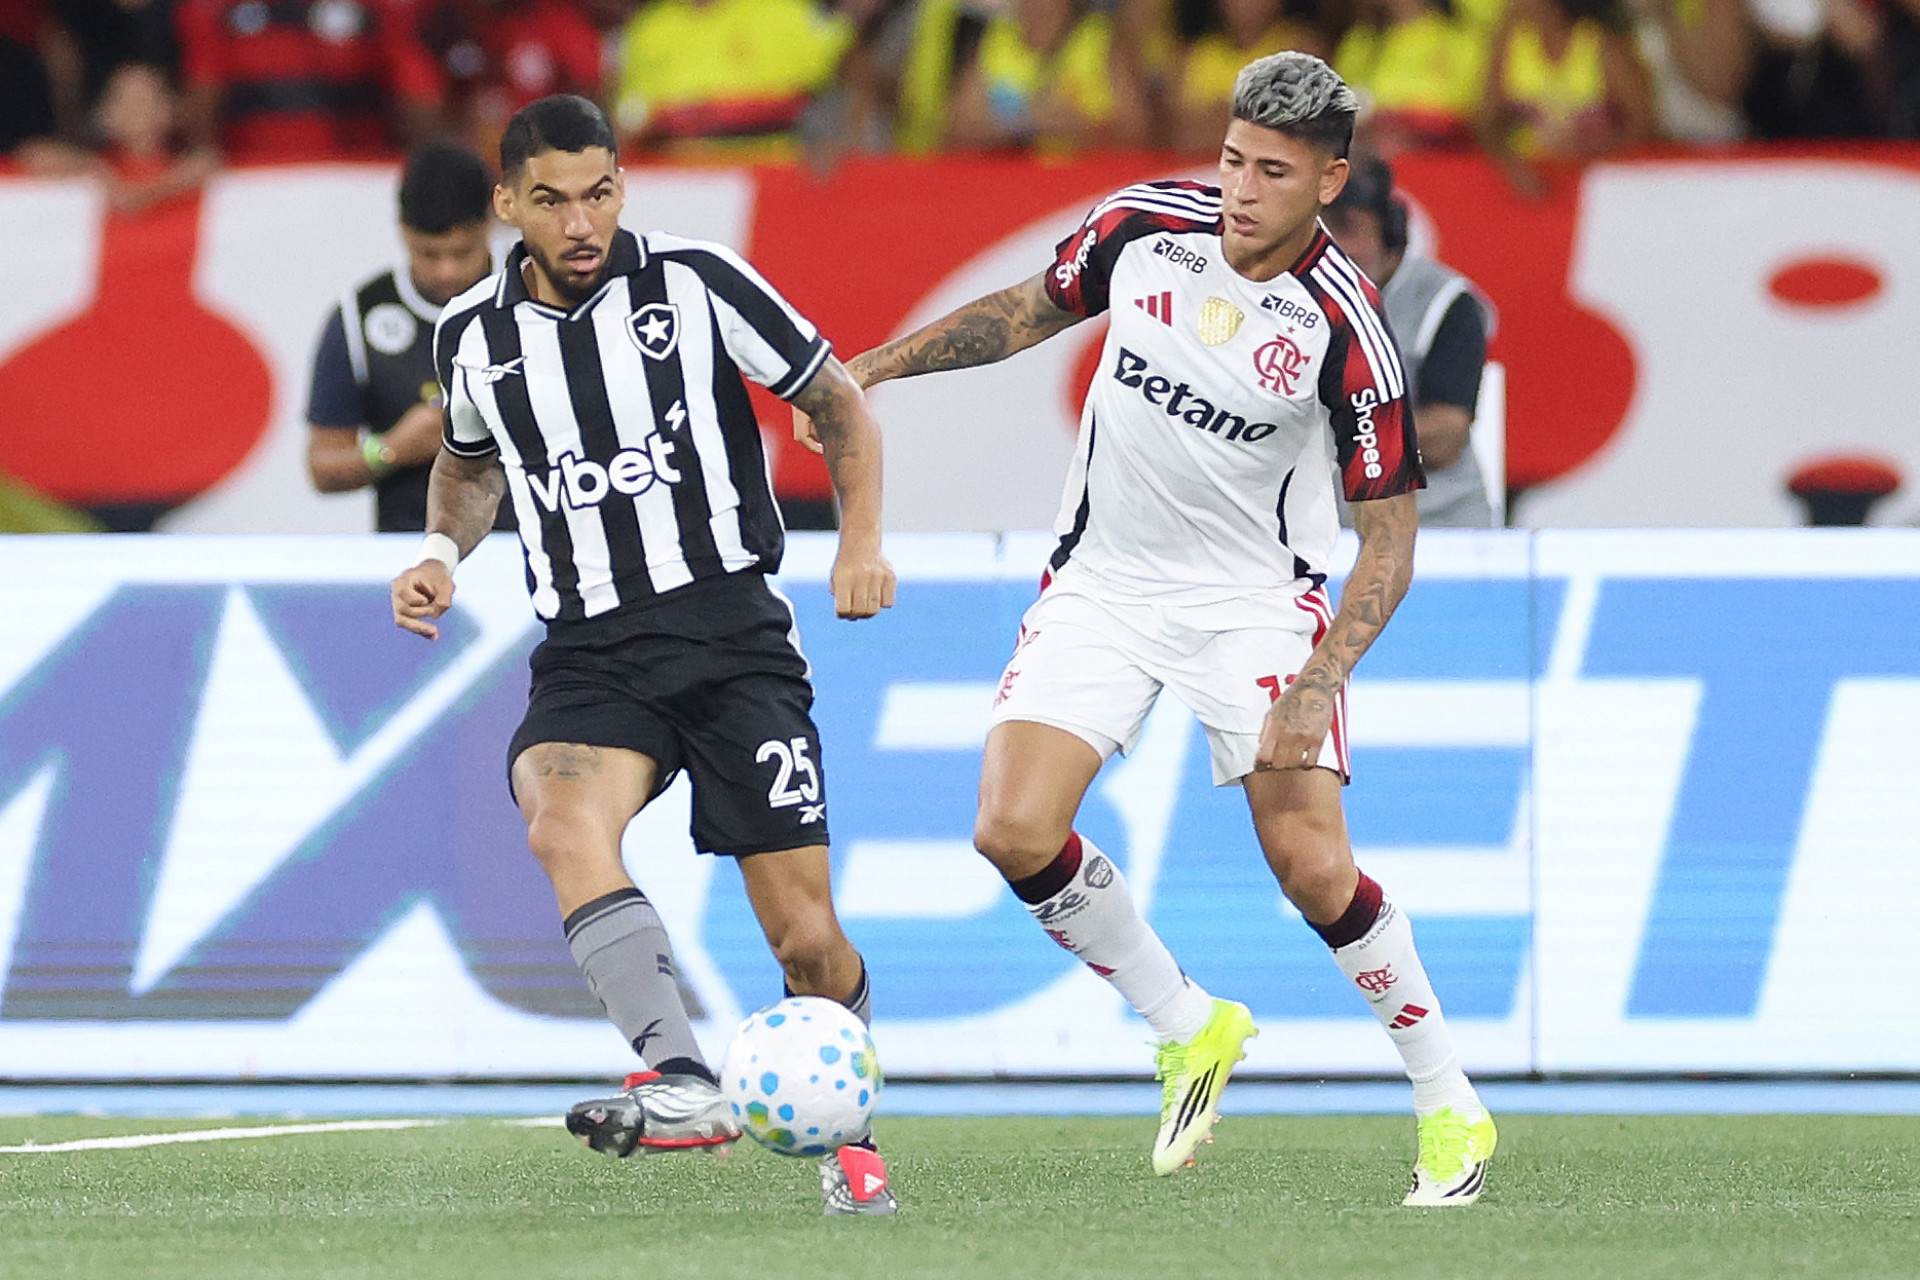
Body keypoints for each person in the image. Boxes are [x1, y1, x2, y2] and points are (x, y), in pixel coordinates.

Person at [804, 51, 1496, 1205]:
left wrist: (1320, 681)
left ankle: (1448, 1103)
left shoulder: (1347, 327)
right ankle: (1186, 1020)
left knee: (1313, 866)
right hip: (1106, 580)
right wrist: (870, 368)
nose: (1240, 185)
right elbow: (1022, 312)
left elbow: (1388, 542)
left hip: (1254, 603)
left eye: (1273, 170)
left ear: (1329, 181)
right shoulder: (1141, 226)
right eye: (1231, 157)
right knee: (1011, 828)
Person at [388, 95, 900, 1216]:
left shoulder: (700, 282)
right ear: (507, 204)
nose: (583, 223)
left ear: (623, 184)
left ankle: (851, 1139)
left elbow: (836, 399)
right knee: (557, 817)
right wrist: (440, 549)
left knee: (805, 936)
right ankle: (680, 1076)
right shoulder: (470, 335)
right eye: (555, 201)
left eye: (602, 192)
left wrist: (860, 540)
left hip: (728, 632)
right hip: (590, 648)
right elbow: (472, 466)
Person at [308, 142, 513, 533]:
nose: (446, 271)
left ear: (490, 222)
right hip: (410, 564)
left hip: (530, 558)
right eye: (428, 254)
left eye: (462, 251)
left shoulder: (539, 298)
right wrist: (391, 449)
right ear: (402, 231)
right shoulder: (361, 317)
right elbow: (322, 466)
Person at [1323, 152, 1496, 527]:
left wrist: (1332, 425)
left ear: (1391, 233)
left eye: (1348, 228)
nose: (1332, 247)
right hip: (1330, 534)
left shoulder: (1445, 304)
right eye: (1320, 229)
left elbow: (1444, 439)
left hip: (1437, 529)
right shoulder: (1290, 298)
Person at [174, 0, 444, 161]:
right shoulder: (220, 11)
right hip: (254, 181)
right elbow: (203, 96)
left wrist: (427, 163)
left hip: (355, 178)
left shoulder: (374, 10)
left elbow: (419, 92)